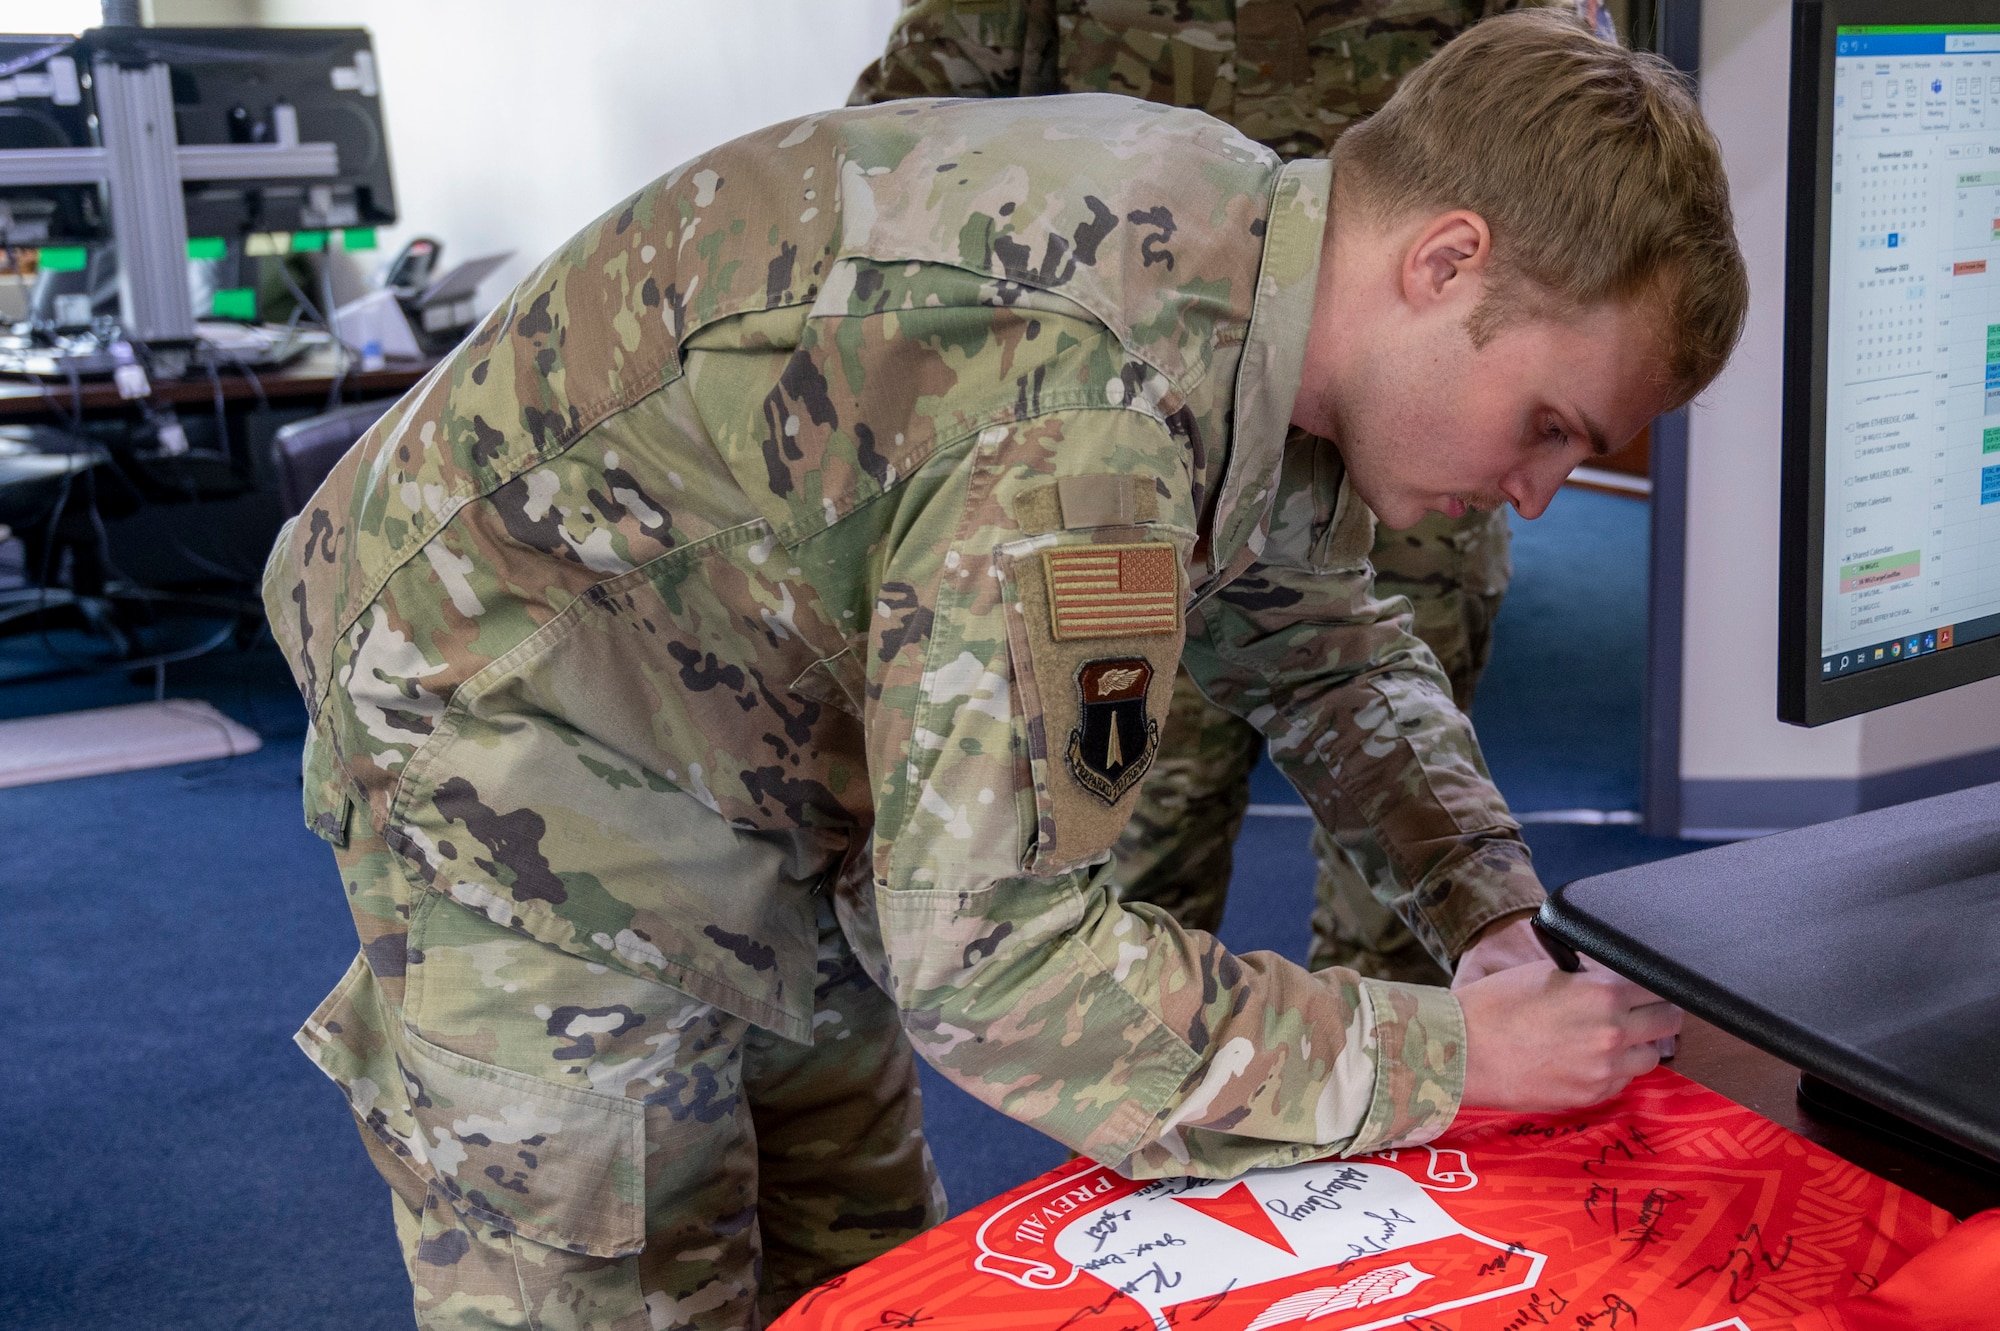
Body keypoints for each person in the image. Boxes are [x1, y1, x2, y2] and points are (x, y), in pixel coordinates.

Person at [264, 12, 1744, 1328]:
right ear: (1446, 262)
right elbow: (1000, 966)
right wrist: (1442, 1055)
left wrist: (1480, 905)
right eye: (1549, 422)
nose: (1545, 491)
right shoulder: (1085, 408)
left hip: (760, 731)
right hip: (511, 723)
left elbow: (1321, 634)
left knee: (858, 1269)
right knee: (624, 1269)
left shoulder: (1264, 273)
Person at [850, 0, 1604, 986]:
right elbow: (915, 143)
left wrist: (1480, 947)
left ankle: (1386, 1116)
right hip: (1123, 437)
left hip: (1421, 425)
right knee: (1131, 859)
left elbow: (1569, 162)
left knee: (1400, 884)